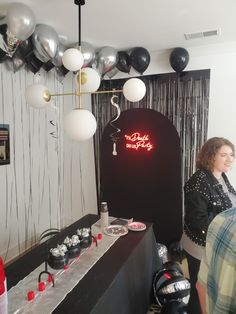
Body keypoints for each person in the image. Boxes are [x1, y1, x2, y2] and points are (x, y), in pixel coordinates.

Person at [180, 137, 236, 314]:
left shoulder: (221, 177)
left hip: (215, 244)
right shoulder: (198, 183)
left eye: (232, 155)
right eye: (223, 155)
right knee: (200, 287)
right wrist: (222, 236)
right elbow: (196, 221)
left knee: (211, 287)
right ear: (211, 156)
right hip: (199, 246)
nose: (230, 159)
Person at [196, 207, 236, 313]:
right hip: (200, 245)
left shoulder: (222, 219)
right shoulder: (222, 219)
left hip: (214, 239)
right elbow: (197, 219)